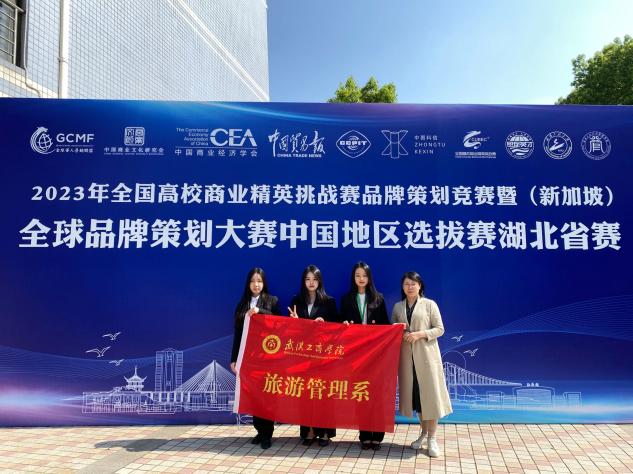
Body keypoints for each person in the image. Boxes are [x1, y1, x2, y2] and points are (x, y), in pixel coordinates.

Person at [391, 271, 452, 458]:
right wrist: (401, 333)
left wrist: (420, 334)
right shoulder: (398, 307)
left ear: (420, 286)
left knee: (430, 399)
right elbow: (393, 329)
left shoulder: (429, 304)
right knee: (418, 399)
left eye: (413, 284)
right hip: (407, 360)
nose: (410, 287)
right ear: (402, 287)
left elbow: (440, 329)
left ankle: (432, 438)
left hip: (427, 358)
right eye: (406, 284)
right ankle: (423, 434)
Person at [340, 261, 390, 450]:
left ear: (369, 278)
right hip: (356, 354)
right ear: (353, 278)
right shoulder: (346, 299)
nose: (361, 279)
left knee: (376, 394)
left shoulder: (378, 298)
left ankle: (377, 435)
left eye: (364, 275)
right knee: (361, 393)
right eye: (357, 275)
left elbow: (385, 325)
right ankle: (364, 435)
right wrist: (344, 323)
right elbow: (339, 322)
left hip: (375, 353)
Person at [230, 267, 281, 450]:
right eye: (252, 281)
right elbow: (238, 334)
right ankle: (259, 430)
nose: (256, 284)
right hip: (249, 358)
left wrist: (260, 311)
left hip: (267, 358)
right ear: (248, 284)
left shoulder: (272, 301)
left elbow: (279, 322)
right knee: (254, 396)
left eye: (259, 281)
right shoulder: (242, 304)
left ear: (264, 283)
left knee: (266, 397)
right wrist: (234, 359)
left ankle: (267, 434)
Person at [288, 264, 339, 447]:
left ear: (320, 281)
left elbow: (337, 326)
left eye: (314, 279)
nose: (311, 282)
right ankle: (308, 431)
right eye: (308, 279)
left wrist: (324, 322)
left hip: (323, 356)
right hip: (303, 355)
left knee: (323, 393)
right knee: (306, 394)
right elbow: (291, 330)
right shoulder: (296, 300)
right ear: (304, 281)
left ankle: (324, 433)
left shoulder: (329, 301)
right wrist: (295, 322)